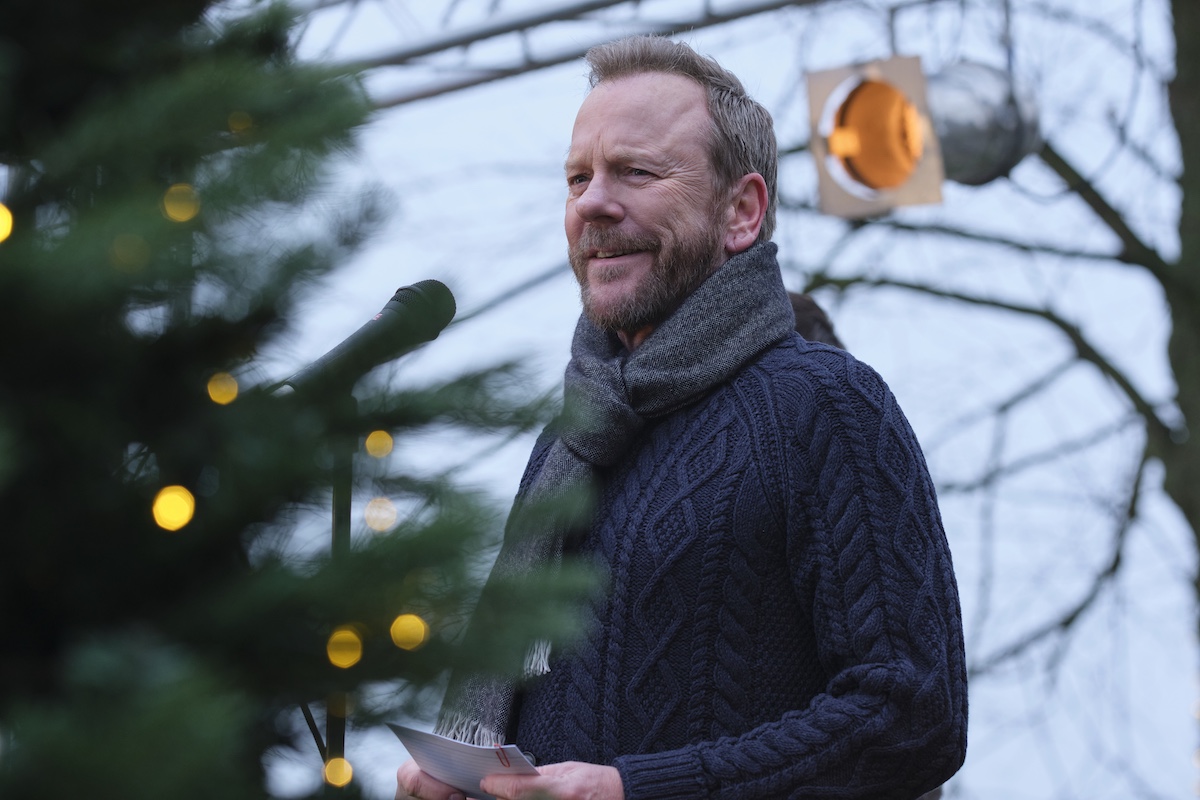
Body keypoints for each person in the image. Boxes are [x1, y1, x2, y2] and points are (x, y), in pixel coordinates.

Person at [397, 34, 967, 800]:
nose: (593, 202)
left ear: (742, 211)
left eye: (636, 171)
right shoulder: (570, 441)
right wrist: (458, 779)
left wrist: (638, 790)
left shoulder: (824, 403)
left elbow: (913, 715)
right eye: (577, 178)